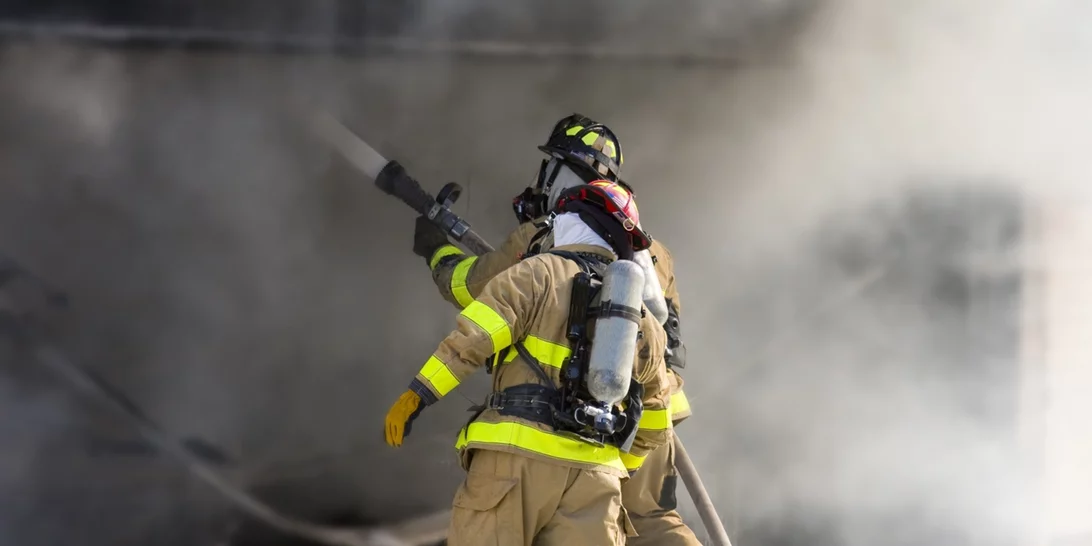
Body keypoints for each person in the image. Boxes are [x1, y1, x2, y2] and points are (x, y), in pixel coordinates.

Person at [412, 114, 702, 545]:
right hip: (652, 411)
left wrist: (437, 250)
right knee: (656, 522)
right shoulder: (652, 251)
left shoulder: (545, 236)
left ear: (565, 174)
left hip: (567, 422)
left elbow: (473, 290)